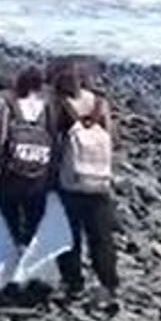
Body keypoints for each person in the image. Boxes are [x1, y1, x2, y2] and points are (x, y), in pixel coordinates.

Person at [52, 64, 119, 304]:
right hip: (99, 181)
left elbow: (54, 143)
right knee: (101, 237)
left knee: (69, 236)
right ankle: (108, 285)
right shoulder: (101, 104)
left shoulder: (61, 106)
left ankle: (74, 284)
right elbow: (111, 138)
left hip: (71, 181)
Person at [0, 66, 56, 247]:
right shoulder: (48, 108)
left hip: (12, 174)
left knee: (8, 213)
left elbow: (1, 140)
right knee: (34, 218)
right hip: (39, 174)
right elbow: (55, 141)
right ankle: (26, 255)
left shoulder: (11, 104)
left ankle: (13, 249)